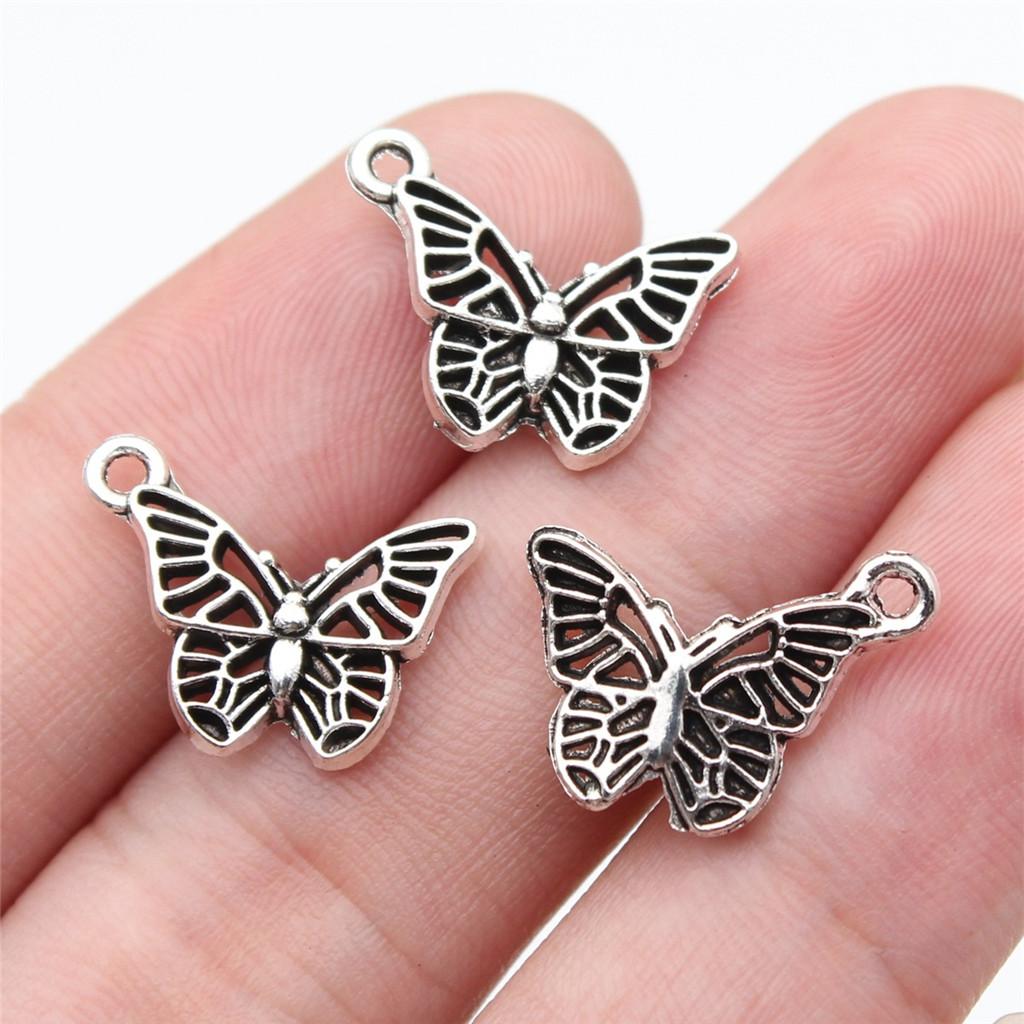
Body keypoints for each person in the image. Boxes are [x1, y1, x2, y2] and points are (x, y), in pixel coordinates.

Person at [2, 89, 1021, 1022]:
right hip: (580, 544)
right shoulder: (702, 635)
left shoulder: (625, 614)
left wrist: (856, 619)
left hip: (535, 582)